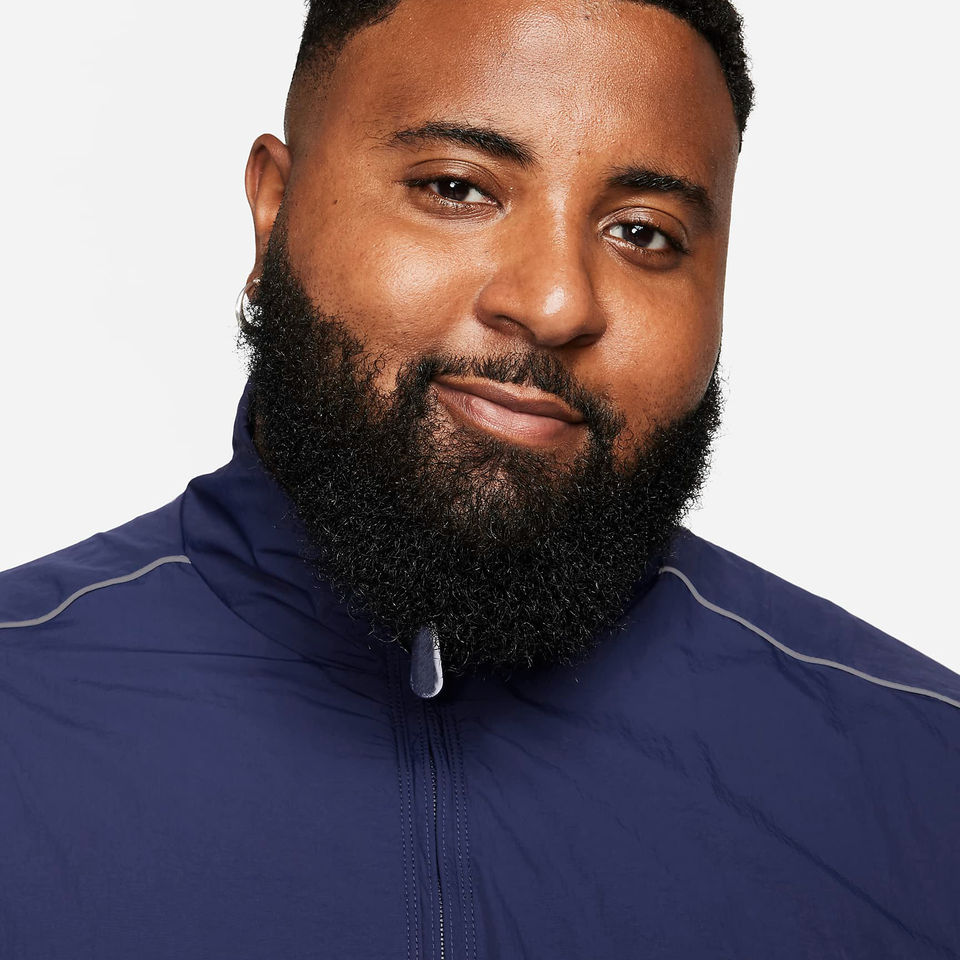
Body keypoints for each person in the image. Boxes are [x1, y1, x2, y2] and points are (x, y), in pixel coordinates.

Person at [1, 1, 957, 957]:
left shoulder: (924, 784)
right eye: (456, 188)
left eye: (643, 233)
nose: (556, 302)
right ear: (274, 209)